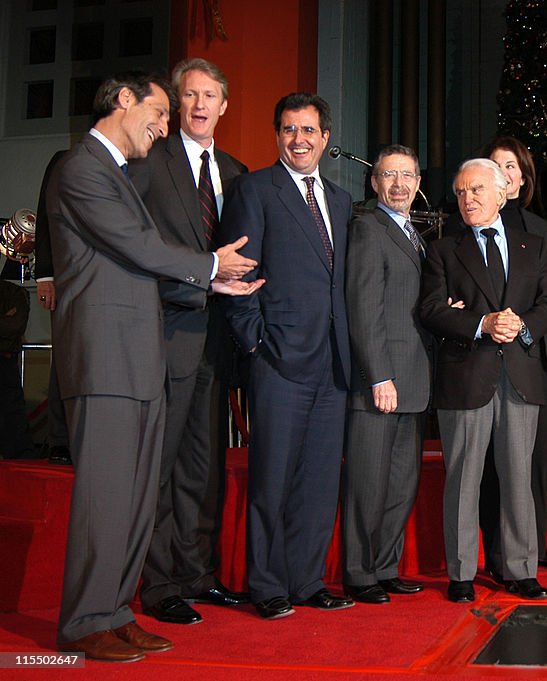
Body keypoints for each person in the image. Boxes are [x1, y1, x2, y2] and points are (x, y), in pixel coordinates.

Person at [48, 72, 260, 661]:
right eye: (160, 112)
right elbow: (138, 246)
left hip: (141, 357)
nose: (164, 126)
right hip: (105, 359)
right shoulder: (82, 168)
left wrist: (210, 276)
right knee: (106, 497)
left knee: (137, 498)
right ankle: (83, 621)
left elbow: (146, 254)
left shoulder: (114, 173)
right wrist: (207, 264)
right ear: (124, 101)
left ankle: (113, 613)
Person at [220, 92, 354, 620]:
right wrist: (255, 341)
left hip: (332, 364)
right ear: (277, 134)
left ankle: (307, 579)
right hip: (278, 360)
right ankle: (268, 584)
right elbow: (238, 274)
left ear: (325, 138)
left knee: (319, 483)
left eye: (308, 131)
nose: (298, 140)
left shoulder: (341, 201)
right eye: (289, 129)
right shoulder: (254, 188)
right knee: (272, 478)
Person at [130, 58, 250, 626]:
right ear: (179, 104)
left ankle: (198, 573)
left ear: (225, 105)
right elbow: (134, 244)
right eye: (190, 96)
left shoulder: (234, 169)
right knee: (164, 462)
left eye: (210, 96)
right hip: (165, 331)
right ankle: (159, 584)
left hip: (217, 340)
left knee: (203, 466)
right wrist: (202, 275)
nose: (200, 105)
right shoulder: (152, 160)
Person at [419, 158, 547, 603]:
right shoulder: (442, 250)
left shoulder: (533, 246)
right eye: (461, 192)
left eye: (477, 190)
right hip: (466, 379)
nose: (468, 199)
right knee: (463, 478)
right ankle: (462, 573)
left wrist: (517, 325)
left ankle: (521, 570)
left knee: (520, 477)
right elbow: (431, 310)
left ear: (502, 194)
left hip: (519, 377)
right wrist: (482, 323)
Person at [342, 145, 431, 604]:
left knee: (401, 482)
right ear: (374, 183)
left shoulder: (413, 232)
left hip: (413, 380)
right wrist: (379, 375)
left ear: (418, 182)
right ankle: (359, 572)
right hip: (381, 383)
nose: (399, 184)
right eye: (389, 175)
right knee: (368, 481)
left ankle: (385, 566)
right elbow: (363, 308)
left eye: (407, 175)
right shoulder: (367, 229)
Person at [477, 136, 547, 572]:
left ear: (524, 176)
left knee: (537, 462)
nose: (503, 174)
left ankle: (531, 552)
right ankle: (498, 556)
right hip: (489, 359)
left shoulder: (540, 229)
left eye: (511, 166)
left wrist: (522, 331)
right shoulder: (466, 225)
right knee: (496, 466)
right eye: (494, 165)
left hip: (537, 359)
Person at [32, 150, 72, 465]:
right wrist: (45, 275)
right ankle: (59, 440)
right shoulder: (63, 160)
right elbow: (44, 218)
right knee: (65, 358)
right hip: (66, 280)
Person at [0, 278, 35, 459]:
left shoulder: (15, 293)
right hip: (6, 356)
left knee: (12, 414)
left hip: (5, 363)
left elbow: (15, 325)